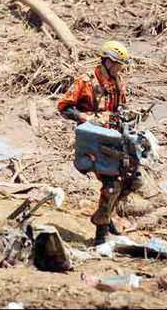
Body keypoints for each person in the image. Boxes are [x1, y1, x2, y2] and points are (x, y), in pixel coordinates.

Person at [58, 40, 140, 245]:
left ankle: (107, 215)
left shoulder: (117, 81)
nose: (120, 68)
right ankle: (101, 233)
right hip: (93, 139)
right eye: (118, 64)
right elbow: (64, 107)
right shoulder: (85, 81)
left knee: (133, 179)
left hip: (115, 137)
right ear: (107, 61)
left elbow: (121, 106)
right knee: (110, 185)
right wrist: (85, 117)